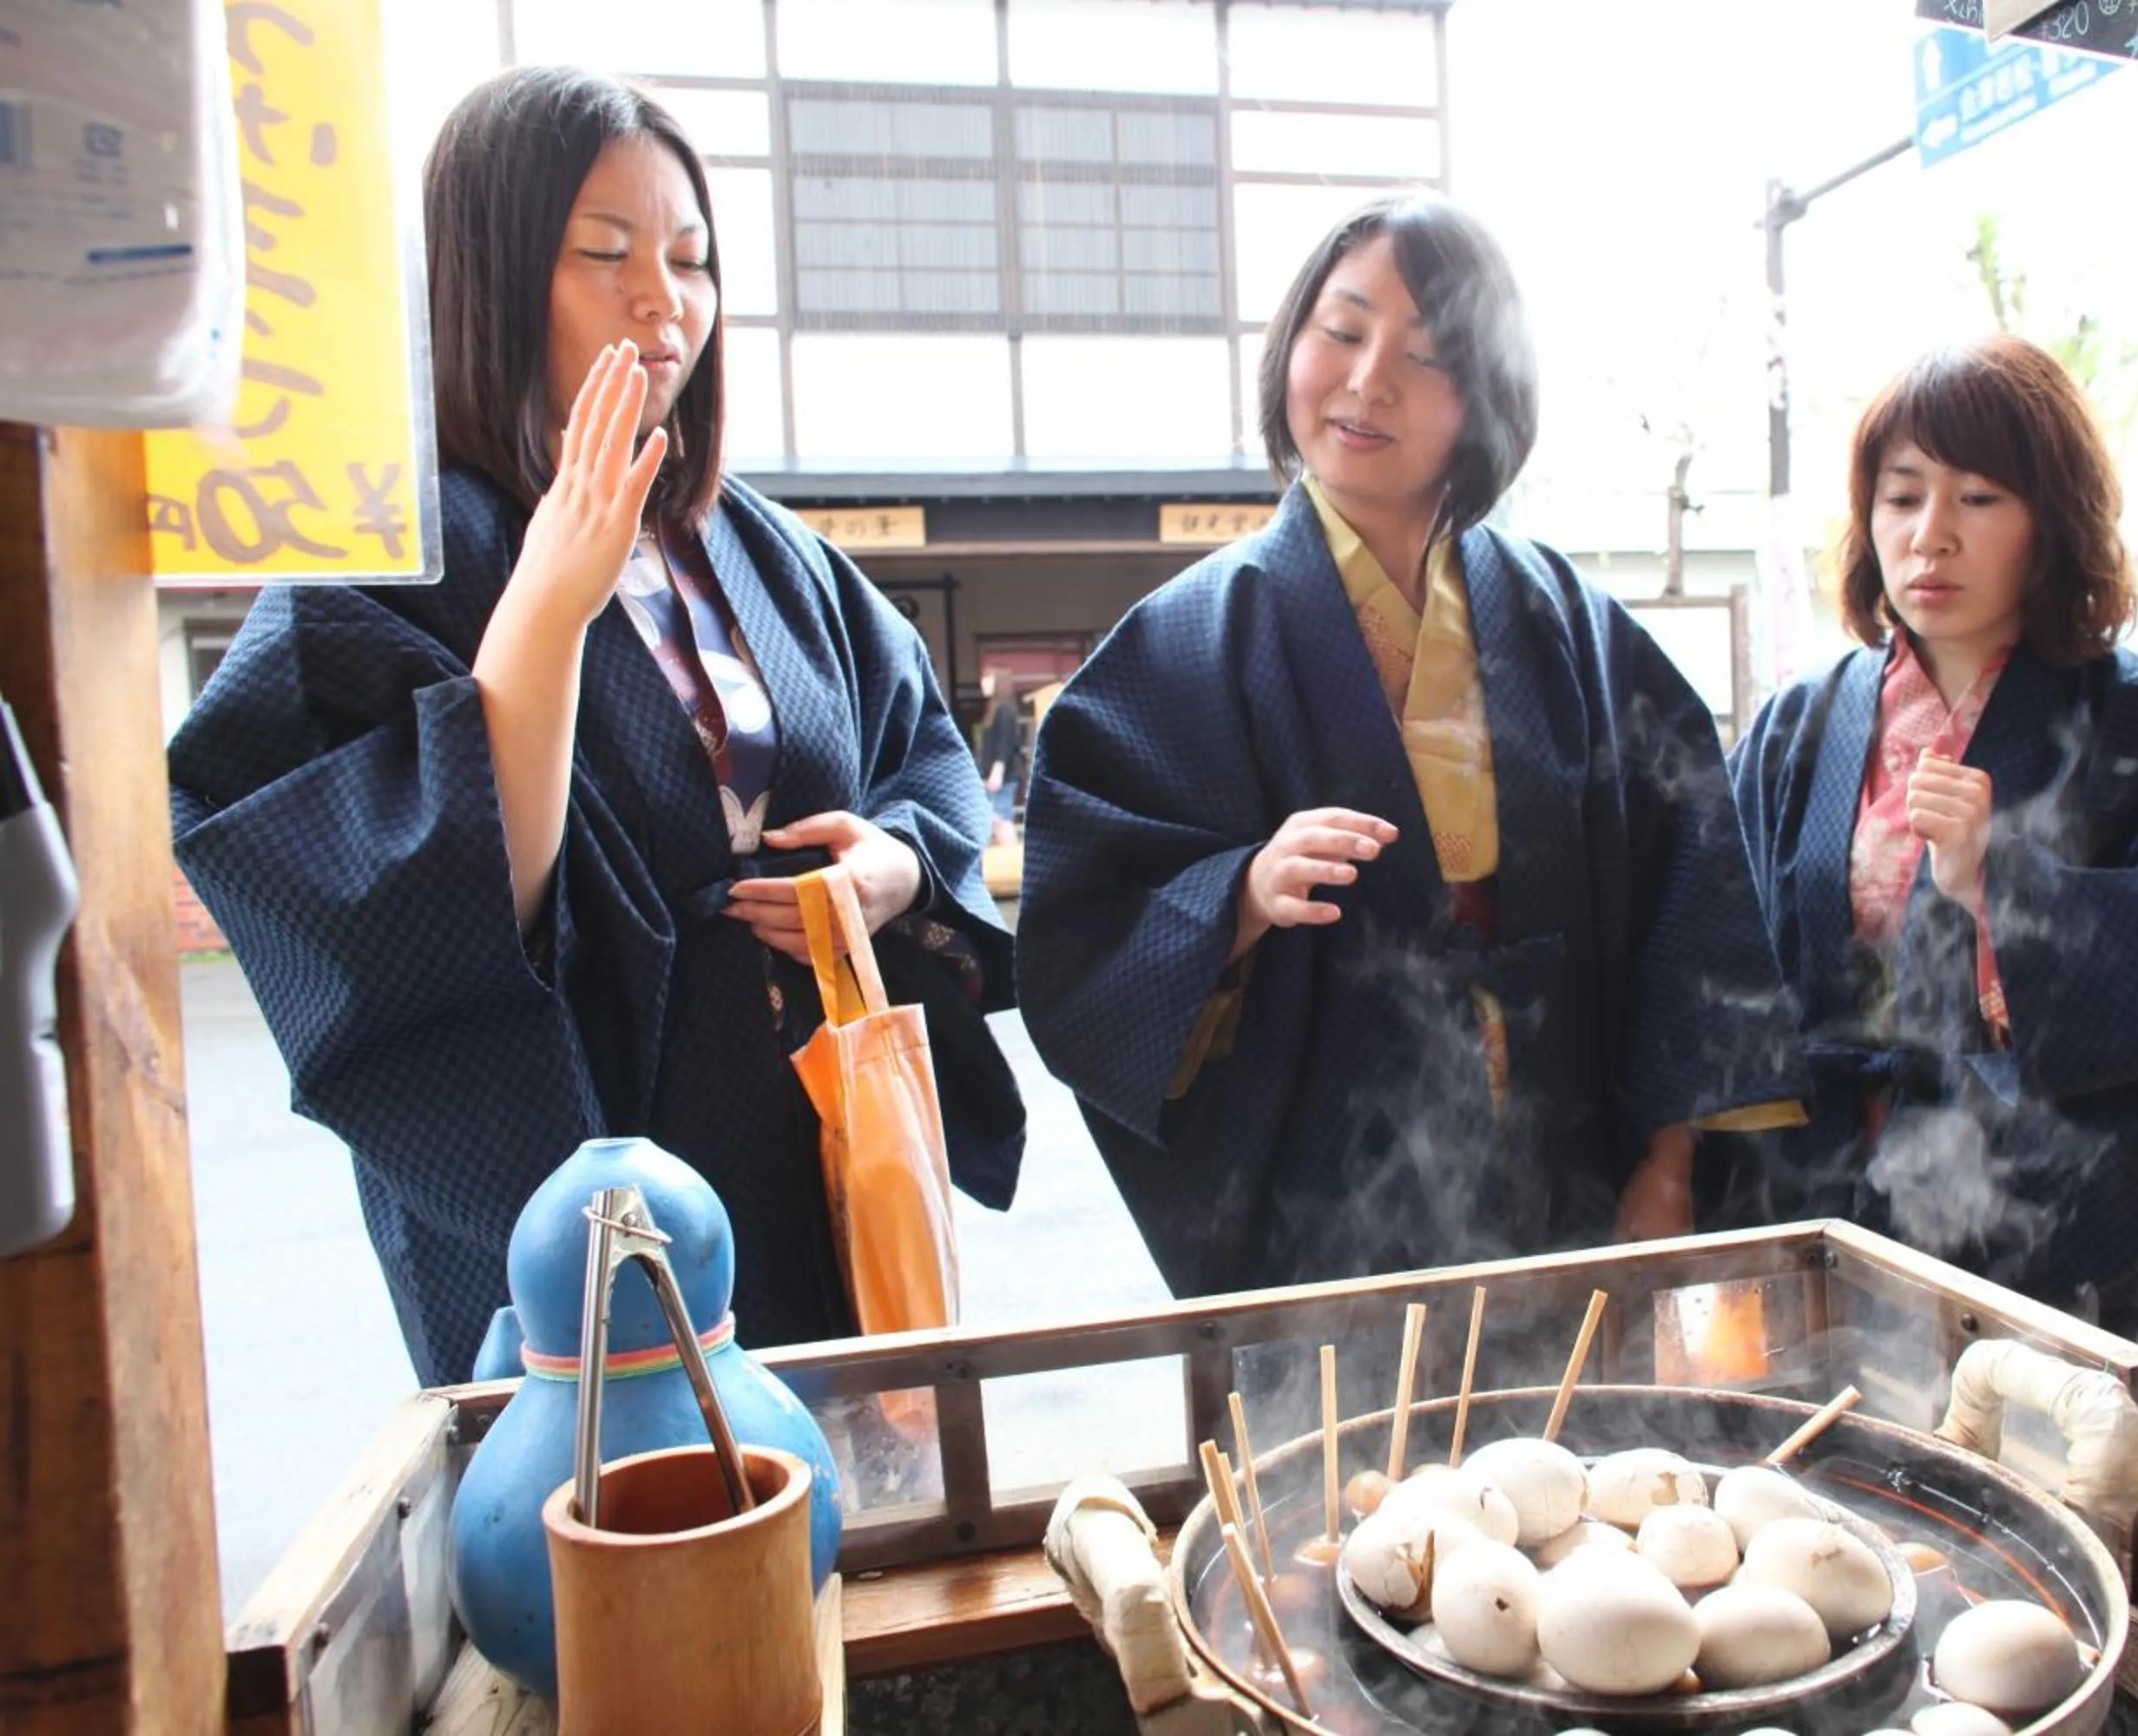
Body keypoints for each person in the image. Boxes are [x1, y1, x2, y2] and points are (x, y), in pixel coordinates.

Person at [167, 67, 1020, 1387]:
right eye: (603, 254)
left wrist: (893, 864)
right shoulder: (397, 559)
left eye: (690, 260)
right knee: (623, 1534)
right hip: (587, 1177)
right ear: (491, 274)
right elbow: (414, 917)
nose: (662, 301)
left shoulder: (766, 549)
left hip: (811, 1149)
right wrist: (545, 612)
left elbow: (926, 752)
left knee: (851, 1511)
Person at [1016, 194, 1806, 1301]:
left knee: (1568, 1464)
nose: (1367, 379)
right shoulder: (1186, 642)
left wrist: (1668, 1160)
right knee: (1344, 1468)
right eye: (1341, 332)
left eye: (1428, 355)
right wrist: (1236, 894)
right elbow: (1085, 934)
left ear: (1486, 401)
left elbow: (1691, 895)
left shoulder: (1571, 627)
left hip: (1560, 1163)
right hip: (1321, 1201)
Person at [1724, 333, 2138, 1349]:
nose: (1931, 536)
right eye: (1902, 494)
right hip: (1821, 1206)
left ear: (2050, 522)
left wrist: (1994, 882)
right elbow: (1725, 961)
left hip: (2041, 1224)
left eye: (1979, 498)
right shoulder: (1802, 725)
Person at [976, 669, 1025, 841]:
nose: (983, 684)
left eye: (987, 679)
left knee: (1001, 818)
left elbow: (1005, 743)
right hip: (996, 774)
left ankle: (1011, 857)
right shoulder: (996, 709)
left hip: (1003, 774)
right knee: (996, 818)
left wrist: (997, 771)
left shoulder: (1004, 710)